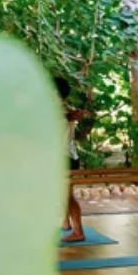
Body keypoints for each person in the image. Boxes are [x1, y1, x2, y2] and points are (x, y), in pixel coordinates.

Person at [58, 76, 90, 243]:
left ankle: (78, 231)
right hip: (67, 156)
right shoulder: (64, 108)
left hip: (64, 158)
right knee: (63, 193)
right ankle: (66, 223)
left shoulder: (59, 110)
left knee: (67, 195)